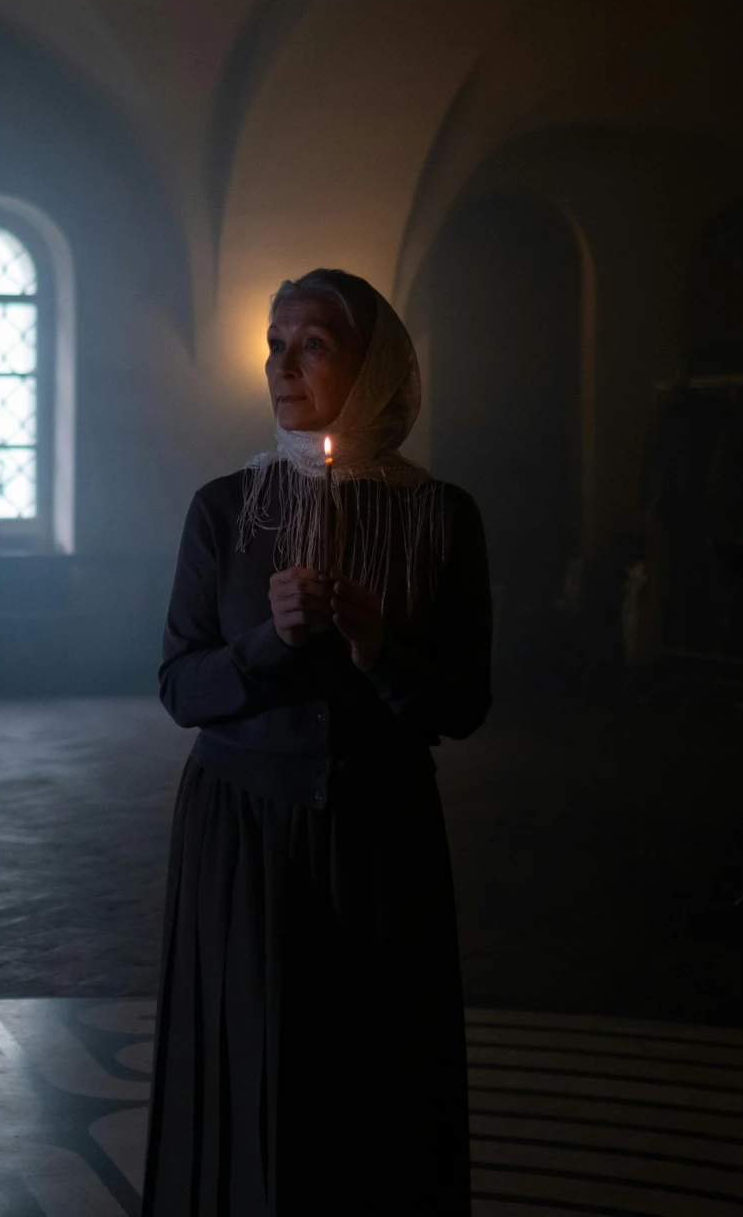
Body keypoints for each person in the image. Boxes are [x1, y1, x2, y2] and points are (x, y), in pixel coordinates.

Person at [142, 268, 491, 1216]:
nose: (282, 365)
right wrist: (267, 641)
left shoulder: (438, 516)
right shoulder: (225, 509)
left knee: (377, 1069)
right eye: (273, 343)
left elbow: (462, 705)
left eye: (313, 344)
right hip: (243, 835)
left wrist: (379, 651)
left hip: (380, 837)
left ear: (373, 365)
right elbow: (181, 684)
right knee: (252, 1060)